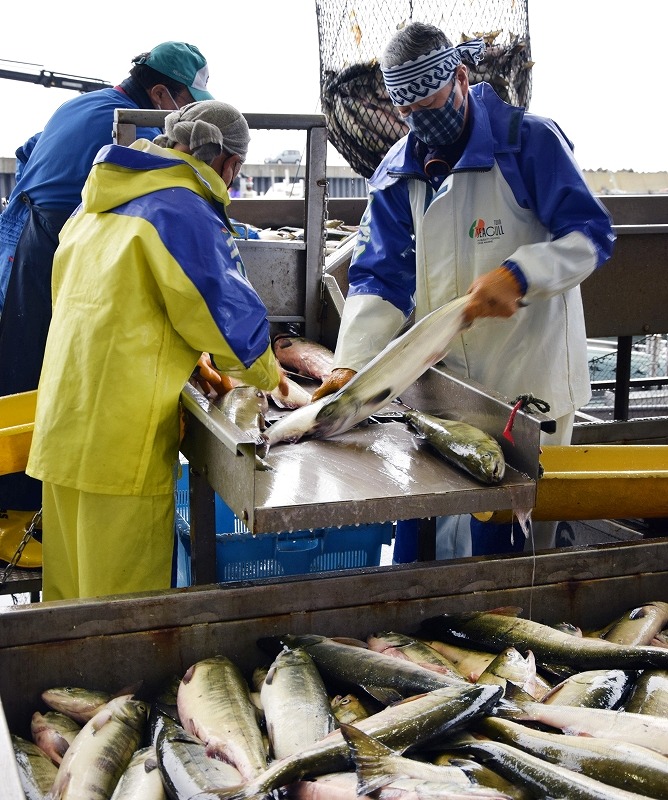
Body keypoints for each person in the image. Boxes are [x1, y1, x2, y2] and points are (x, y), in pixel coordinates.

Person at [313, 22, 616, 558]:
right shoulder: (398, 171)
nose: (420, 120)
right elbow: (381, 276)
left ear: (459, 77)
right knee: (431, 543)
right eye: (407, 111)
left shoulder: (529, 142)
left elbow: (590, 236)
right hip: (447, 389)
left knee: (513, 547)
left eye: (430, 103)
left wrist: (521, 275)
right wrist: (351, 367)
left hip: (530, 381)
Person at [25, 100, 286, 601]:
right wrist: (275, 380)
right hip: (121, 443)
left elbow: (113, 307)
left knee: (69, 604)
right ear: (230, 164)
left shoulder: (97, 202)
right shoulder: (180, 208)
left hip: (62, 425)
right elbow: (227, 317)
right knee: (124, 611)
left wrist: (186, 357)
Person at [0, 41, 213, 514]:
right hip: (52, 243)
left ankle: (20, 500)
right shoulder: (136, 129)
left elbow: (27, 151)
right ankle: (27, 507)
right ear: (160, 94)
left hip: (26, 237)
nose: (185, 120)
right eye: (187, 104)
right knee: (48, 372)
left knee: (21, 364)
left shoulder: (81, 104)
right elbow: (167, 200)